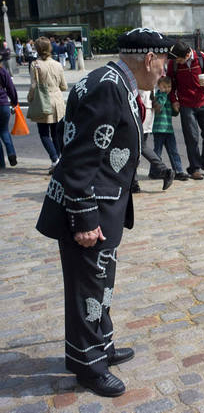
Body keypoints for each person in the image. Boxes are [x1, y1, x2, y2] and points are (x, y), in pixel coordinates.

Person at [35, 27, 176, 397]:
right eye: (163, 61)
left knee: (101, 284)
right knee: (87, 289)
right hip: (90, 211)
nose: (165, 69)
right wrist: (83, 220)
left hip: (105, 205)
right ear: (149, 59)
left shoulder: (112, 81)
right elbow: (79, 159)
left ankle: (102, 346)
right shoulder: (109, 86)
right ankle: (87, 365)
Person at [167, 41, 204, 180]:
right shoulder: (174, 64)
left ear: (188, 54)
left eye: (179, 58)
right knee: (191, 138)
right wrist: (174, 100)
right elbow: (170, 83)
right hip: (186, 105)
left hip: (203, 102)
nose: (177, 61)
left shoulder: (201, 57)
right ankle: (194, 168)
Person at [26, 36, 68, 174]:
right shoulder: (57, 64)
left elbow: (33, 85)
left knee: (44, 133)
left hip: (43, 101)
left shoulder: (35, 65)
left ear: (37, 49)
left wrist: (30, 98)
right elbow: (64, 86)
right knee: (56, 133)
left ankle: (54, 159)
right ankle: (59, 160)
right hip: (57, 101)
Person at [136, 89, 175, 191]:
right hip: (146, 109)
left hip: (141, 109)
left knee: (136, 146)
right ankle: (164, 171)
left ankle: (164, 171)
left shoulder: (137, 73)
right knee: (140, 146)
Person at [153, 76, 188, 181]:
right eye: (164, 86)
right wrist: (163, 94)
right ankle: (154, 172)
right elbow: (158, 108)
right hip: (158, 129)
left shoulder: (169, 98)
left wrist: (176, 109)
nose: (167, 89)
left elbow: (173, 113)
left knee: (173, 151)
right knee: (157, 153)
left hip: (168, 129)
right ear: (159, 86)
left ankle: (178, 171)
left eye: (169, 87)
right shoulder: (158, 96)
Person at [0, 64, 18, 168]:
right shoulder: (2, 71)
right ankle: (11, 152)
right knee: (4, 130)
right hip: (3, 104)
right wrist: (14, 102)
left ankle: (1, 163)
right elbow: (10, 87)